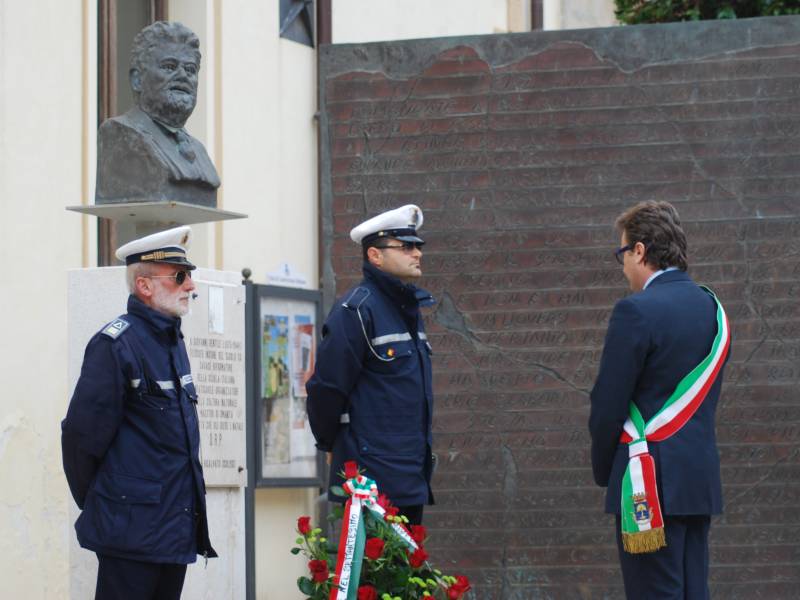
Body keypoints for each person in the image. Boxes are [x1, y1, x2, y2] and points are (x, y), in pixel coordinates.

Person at [61, 225, 216, 600]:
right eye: (180, 277)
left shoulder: (172, 341)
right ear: (144, 286)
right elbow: (81, 440)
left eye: (189, 276)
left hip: (172, 530)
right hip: (130, 534)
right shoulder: (116, 345)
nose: (190, 286)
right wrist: (112, 502)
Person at [589, 201, 731, 599]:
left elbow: (607, 405)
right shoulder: (713, 309)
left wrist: (606, 471)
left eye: (623, 254)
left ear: (639, 250)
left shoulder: (635, 311)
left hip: (645, 484)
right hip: (697, 481)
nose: (622, 267)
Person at [307, 204, 435, 525]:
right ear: (375, 256)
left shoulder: (407, 309)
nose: (416, 253)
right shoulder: (356, 310)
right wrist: (330, 443)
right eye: (405, 247)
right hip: (371, 478)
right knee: (371, 574)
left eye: (417, 246)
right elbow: (327, 389)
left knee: (408, 573)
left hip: (409, 475)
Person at [96, 21, 220, 207]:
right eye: (169, 67)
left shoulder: (199, 150)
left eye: (190, 70)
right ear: (137, 80)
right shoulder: (120, 135)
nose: (183, 76)